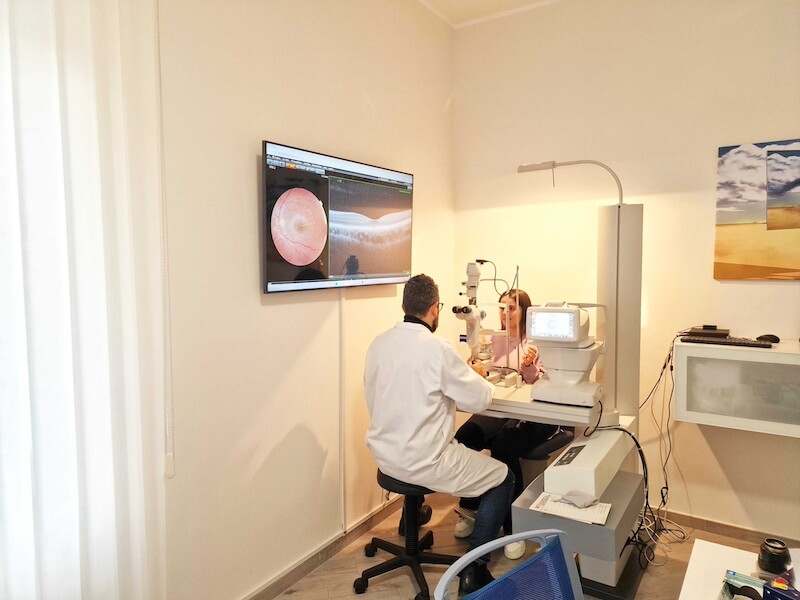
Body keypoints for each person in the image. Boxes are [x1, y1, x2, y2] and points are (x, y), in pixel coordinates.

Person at [364, 274, 515, 594]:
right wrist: (478, 374)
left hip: (386, 458)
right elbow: (479, 400)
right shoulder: (437, 349)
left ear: (404, 305)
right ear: (435, 309)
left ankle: (410, 520)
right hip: (425, 462)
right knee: (503, 477)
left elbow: (377, 397)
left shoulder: (379, 343)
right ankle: (474, 569)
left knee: (462, 441)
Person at [453, 289, 558, 560]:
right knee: (465, 437)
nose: (504, 313)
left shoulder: (536, 343)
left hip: (530, 411)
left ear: (525, 311)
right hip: (498, 408)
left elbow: (545, 384)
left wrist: (529, 366)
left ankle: (513, 526)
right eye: (501, 307)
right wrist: (474, 369)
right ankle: (470, 508)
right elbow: (486, 375)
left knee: (504, 445)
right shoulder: (494, 338)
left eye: (511, 308)